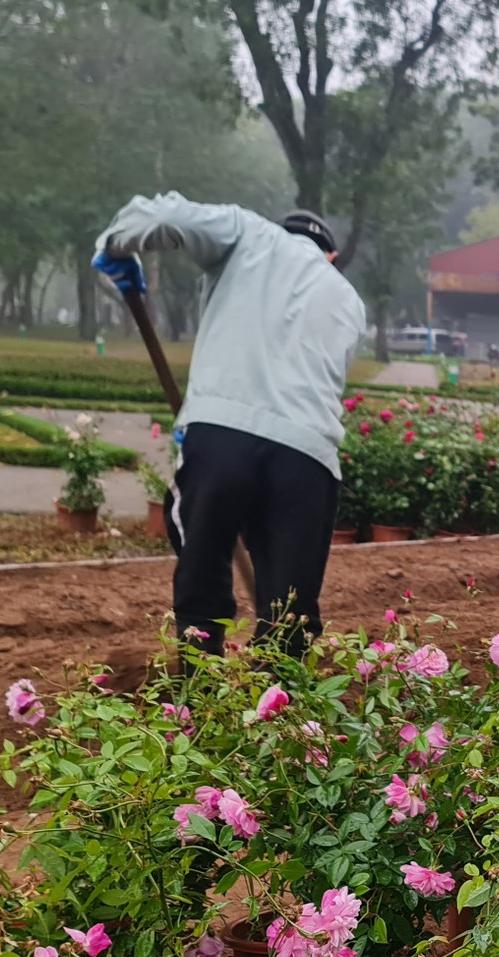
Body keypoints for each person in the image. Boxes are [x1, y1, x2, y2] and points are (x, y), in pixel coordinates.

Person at [92, 194, 366, 654]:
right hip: (308, 458)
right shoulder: (350, 303)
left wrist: (116, 245)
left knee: (201, 565)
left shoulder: (248, 231)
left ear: (283, 231)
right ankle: (283, 712)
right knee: (290, 614)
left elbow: (160, 216)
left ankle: (196, 701)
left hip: (223, 438)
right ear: (332, 257)